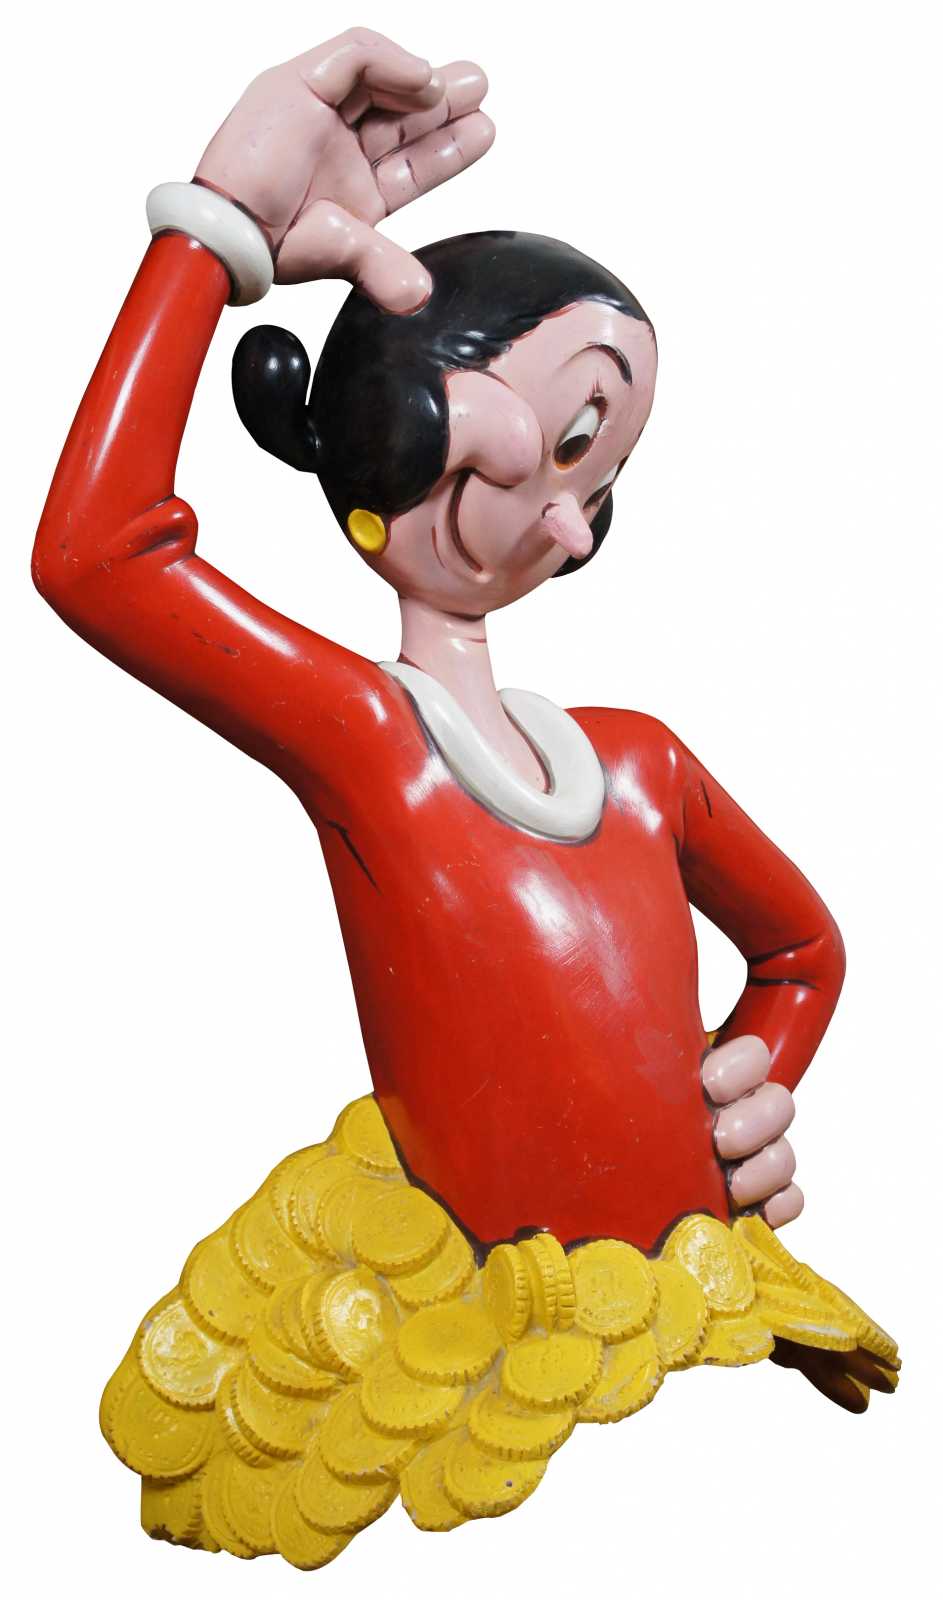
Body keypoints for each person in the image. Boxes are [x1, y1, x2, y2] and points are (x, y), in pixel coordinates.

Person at [32, 28, 898, 1572]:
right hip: (477, 1366)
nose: (572, 528)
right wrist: (214, 235)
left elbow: (805, 953)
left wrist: (739, 1097)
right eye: (565, 445)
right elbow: (99, 552)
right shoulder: (374, 742)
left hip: (697, 1328)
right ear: (399, 430)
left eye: (603, 483)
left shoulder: (641, 760)